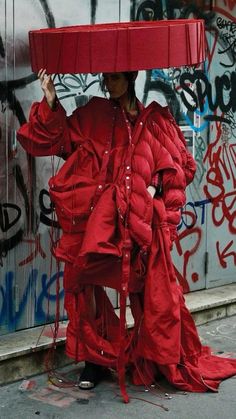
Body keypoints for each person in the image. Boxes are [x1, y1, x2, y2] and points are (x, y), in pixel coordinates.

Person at [17, 69, 236, 403]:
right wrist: (51, 100)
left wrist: (154, 188)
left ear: (131, 77)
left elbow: (181, 167)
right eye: (106, 77)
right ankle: (94, 361)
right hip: (96, 224)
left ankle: (153, 355)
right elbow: (54, 141)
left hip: (139, 223)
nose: (109, 82)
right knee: (81, 282)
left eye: (116, 76)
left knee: (152, 291)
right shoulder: (93, 114)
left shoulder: (156, 120)